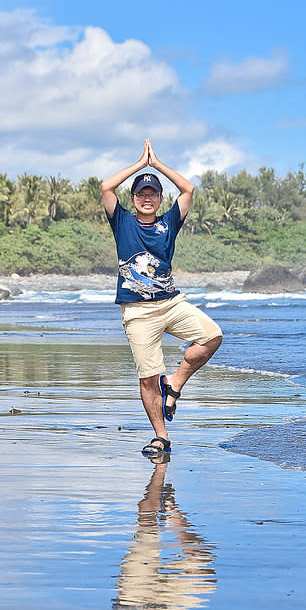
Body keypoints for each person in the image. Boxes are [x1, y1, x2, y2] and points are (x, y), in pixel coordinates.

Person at [101, 139, 223, 457]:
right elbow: (105, 187)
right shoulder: (123, 221)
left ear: (159, 198)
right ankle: (161, 437)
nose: (146, 198)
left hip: (171, 303)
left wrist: (158, 166)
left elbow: (189, 190)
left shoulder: (169, 223)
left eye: (152, 193)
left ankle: (175, 383)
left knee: (212, 336)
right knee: (147, 377)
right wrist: (140, 165)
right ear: (133, 198)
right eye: (141, 193)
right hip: (138, 312)